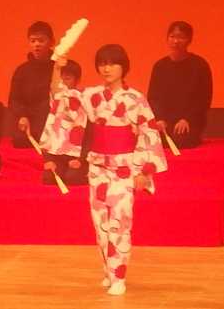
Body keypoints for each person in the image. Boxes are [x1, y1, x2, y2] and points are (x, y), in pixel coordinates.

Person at [42, 44, 168, 296]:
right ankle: (109, 270)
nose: (106, 68)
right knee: (100, 223)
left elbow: (149, 134)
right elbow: (60, 97)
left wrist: (144, 171)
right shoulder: (92, 94)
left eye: (112, 63)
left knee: (120, 222)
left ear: (124, 67)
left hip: (125, 168)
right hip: (98, 166)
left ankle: (119, 275)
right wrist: (57, 67)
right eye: (102, 63)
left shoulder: (135, 98)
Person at [148, 20, 213, 149]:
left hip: (190, 120)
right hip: (165, 121)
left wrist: (187, 118)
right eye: (172, 36)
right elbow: (153, 97)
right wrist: (159, 118)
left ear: (189, 40)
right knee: (151, 140)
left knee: (181, 140)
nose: (176, 41)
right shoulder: (160, 66)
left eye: (181, 37)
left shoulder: (200, 65)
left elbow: (204, 98)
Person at [7, 21, 56, 148]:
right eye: (33, 41)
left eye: (41, 40)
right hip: (28, 120)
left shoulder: (59, 68)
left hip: (53, 121)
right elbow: (14, 99)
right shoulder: (22, 70)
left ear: (52, 42)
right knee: (19, 141)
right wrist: (22, 116)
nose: (36, 44)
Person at [40, 58, 88, 187]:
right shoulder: (56, 97)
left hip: (77, 154)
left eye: (68, 78)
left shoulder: (84, 98)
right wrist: (49, 160)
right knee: (49, 178)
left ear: (77, 80)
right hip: (57, 154)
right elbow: (49, 133)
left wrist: (81, 159)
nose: (63, 82)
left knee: (72, 178)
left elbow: (89, 134)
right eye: (61, 78)